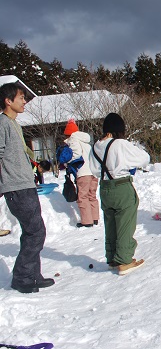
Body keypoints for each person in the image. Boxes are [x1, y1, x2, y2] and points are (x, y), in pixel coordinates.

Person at [0, 82, 54, 293]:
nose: (24, 102)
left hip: (25, 184)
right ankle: (22, 277)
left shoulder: (14, 125)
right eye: (21, 98)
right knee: (36, 232)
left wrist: (36, 166)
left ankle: (32, 274)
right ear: (8, 100)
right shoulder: (3, 124)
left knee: (32, 231)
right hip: (16, 187)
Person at [89, 113, 150, 276]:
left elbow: (94, 169)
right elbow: (144, 158)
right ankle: (124, 260)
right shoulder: (120, 144)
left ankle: (112, 257)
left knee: (110, 223)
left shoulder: (95, 146)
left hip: (104, 188)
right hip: (121, 187)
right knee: (125, 223)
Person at [63, 119, 100, 228]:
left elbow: (76, 153)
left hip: (83, 173)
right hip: (93, 172)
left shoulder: (73, 140)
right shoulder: (86, 143)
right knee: (92, 195)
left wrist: (67, 162)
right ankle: (95, 218)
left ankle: (87, 221)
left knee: (82, 197)